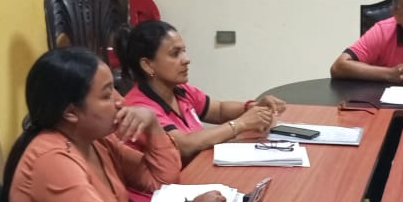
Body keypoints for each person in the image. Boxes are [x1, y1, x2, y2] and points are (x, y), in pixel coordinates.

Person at [0, 47, 226, 202]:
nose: (121, 101)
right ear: (71, 112)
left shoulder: (95, 139)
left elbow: (161, 180)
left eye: (115, 89)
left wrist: (153, 126)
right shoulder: (51, 159)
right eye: (107, 95)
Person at [122, 20, 288, 167]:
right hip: (167, 186)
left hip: (198, 170)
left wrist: (253, 107)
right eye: (175, 54)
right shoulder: (139, 108)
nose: (186, 59)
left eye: (184, 51)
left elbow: (219, 110)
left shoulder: (181, 90)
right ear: (147, 65)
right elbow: (183, 146)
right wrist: (242, 123)